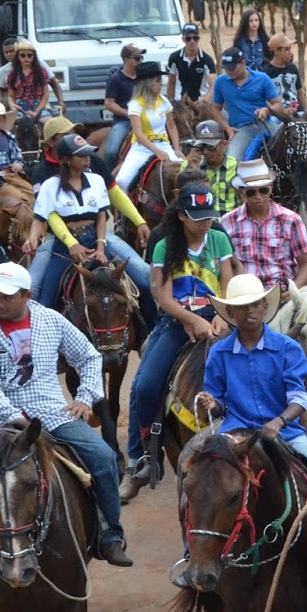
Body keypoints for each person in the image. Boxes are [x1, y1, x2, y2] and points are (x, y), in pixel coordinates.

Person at [0, 262, 130, 564]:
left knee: (104, 458)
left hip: (51, 413)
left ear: (26, 295)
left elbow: (90, 357)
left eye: (6, 297)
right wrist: (11, 415)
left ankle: (110, 534)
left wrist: (85, 397)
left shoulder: (51, 320)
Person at [121, 182, 235, 499]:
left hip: (220, 321)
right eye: (198, 217)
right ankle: (141, 458)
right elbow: (160, 294)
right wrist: (191, 319)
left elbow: (228, 284)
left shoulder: (219, 240)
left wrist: (222, 316)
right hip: (176, 322)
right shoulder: (164, 246)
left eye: (209, 216)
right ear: (182, 216)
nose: (205, 223)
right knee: (143, 386)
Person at [195, 274, 307, 469]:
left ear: (264, 307)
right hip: (235, 434)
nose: (250, 311)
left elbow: (299, 398)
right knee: (204, 476)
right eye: (242, 307)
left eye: (255, 304)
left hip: (286, 433)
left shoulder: (287, 348)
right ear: (230, 311)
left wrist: (279, 422)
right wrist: (212, 403)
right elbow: (218, 405)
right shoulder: (219, 353)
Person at [28, 133, 152, 316]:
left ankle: (151, 331)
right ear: (67, 160)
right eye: (82, 155)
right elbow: (48, 217)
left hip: (96, 237)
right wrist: (72, 244)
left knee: (144, 279)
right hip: (62, 243)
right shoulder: (47, 182)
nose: (88, 159)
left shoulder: (96, 179)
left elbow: (102, 215)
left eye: (88, 154)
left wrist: (101, 247)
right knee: (44, 299)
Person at [219, 160, 307, 298]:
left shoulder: (291, 220)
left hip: (281, 292)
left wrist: (294, 289)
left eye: (263, 190)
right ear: (241, 192)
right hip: (243, 296)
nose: (258, 197)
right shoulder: (227, 222)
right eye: (251, 192)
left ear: (271, 187)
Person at [210, 47, 287, 161]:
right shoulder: (220, 82)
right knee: (232, 160)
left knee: (292, 146)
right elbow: (216, 109)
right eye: (226, 68)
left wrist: (266, 110)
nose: (229, 71)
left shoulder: (262, 78)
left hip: (265, 125)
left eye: (232, 68)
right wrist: (228, 128)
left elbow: (278, 106)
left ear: (243, 63)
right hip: (242, 129)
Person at [116, 59, 182, 191]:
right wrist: (157, 151)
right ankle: (126, 211)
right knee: (121, 181)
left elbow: (172, 126)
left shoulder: (163, 100)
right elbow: (139, 134)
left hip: (164, 145)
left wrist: (177, 149)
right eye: (157, 80)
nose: (161, 83)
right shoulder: (135, 104)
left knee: (186, 174)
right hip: (141, 149)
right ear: (147, 83)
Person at [181, 120, 236, 213]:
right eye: (202, 146)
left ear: (225, 145)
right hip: (200, 219)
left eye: (211, 147)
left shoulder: (236, 167)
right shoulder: (188, 165)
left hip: (229, 220)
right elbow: (182, 198)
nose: (206, 152)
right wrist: (193, 171)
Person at [100, 44, 141, 166]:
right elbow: (109, 103)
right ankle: (107, 178)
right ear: (126, 60)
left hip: (144, 119)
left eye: (141, 57)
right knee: (111, 152)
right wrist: (128, 114)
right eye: (137, 58)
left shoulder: (143, 77)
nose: (140, 61)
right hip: (124, 121)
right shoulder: (116, 79)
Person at [4, 40, 57, 120]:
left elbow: (45, 94)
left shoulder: (41, 72)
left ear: (33, 56)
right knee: (9, 126)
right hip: (20, 109)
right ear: (18, 56)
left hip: (38, 107)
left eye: (29, 55)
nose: (26, 58)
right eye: (22, 55)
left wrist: (37, 112)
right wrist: (12, 104)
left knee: (49, 124)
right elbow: (11, 96)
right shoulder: (12, 75)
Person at [166, 23, 215, 106]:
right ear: (183, 39)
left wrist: (204, 101)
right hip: (180, 104)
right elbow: (171, 82)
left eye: (195, 38)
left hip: (201, 104)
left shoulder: (207, 60)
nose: (192, 41)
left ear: (199, 38)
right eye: (188, 38)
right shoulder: (174, 58)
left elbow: (213, 85)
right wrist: (170, 104)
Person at [0, 100, 21, 177]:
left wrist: (17, 163)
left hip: (8, 175)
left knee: (28, 188)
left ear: (3, 121)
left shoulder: (8, 137)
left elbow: (16, 154)